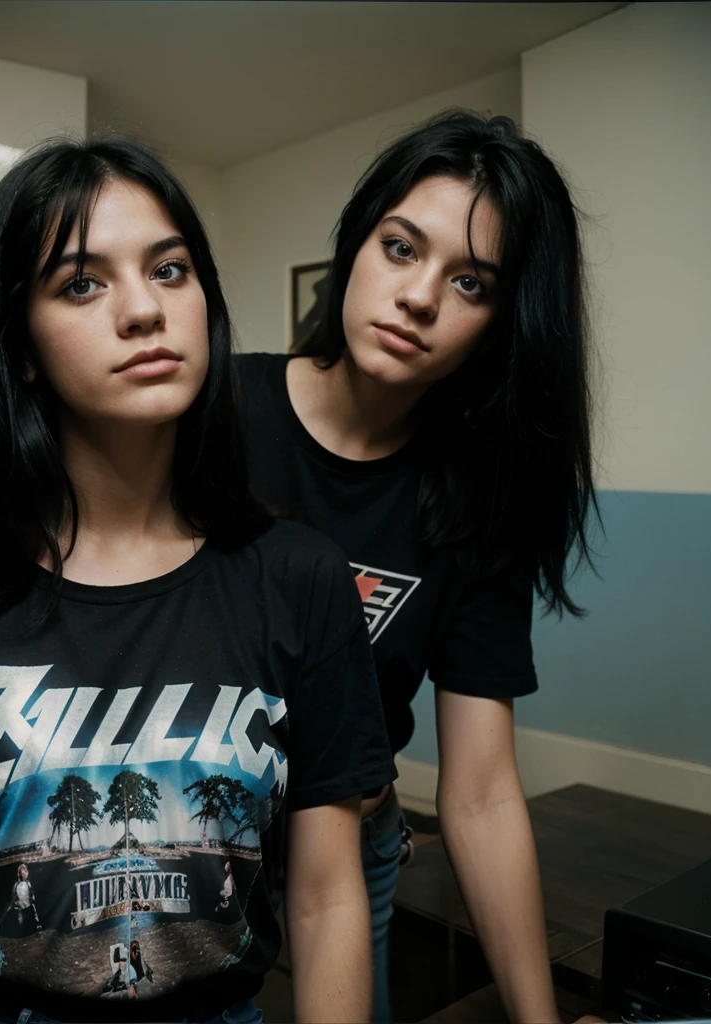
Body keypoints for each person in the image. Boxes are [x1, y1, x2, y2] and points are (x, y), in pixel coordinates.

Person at [0, 136, 396, 1024]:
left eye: (171, 269)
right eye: (82, 283)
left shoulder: (298, 575)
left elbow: (328, 899)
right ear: (20, 347)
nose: (144, 310)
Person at [235, 110, 600, 1023]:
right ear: (357, 242)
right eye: (401, 247)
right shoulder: (211, 412)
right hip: (165, 840)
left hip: (353, 855)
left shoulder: (478, 502)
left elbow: (477, 795)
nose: (420, 296)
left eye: (469, 281)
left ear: (500, 322)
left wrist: (539, 1020)